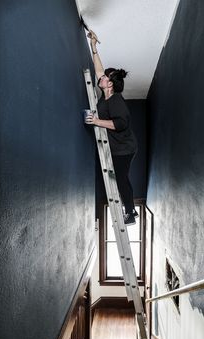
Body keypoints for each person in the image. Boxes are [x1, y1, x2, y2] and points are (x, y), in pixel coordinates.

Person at [85, 30, 138, 226]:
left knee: (122, 178)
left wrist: (96, 122)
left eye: (105, 78)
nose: (101, 77)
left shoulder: (116, 100)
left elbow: (121, 123)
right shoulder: (106, 94)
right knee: (121, 177)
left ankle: (131, 213)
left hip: (125, 147)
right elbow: (99, 71)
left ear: (111, 85)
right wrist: (94, 47)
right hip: (119, 147)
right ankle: (131, 210)